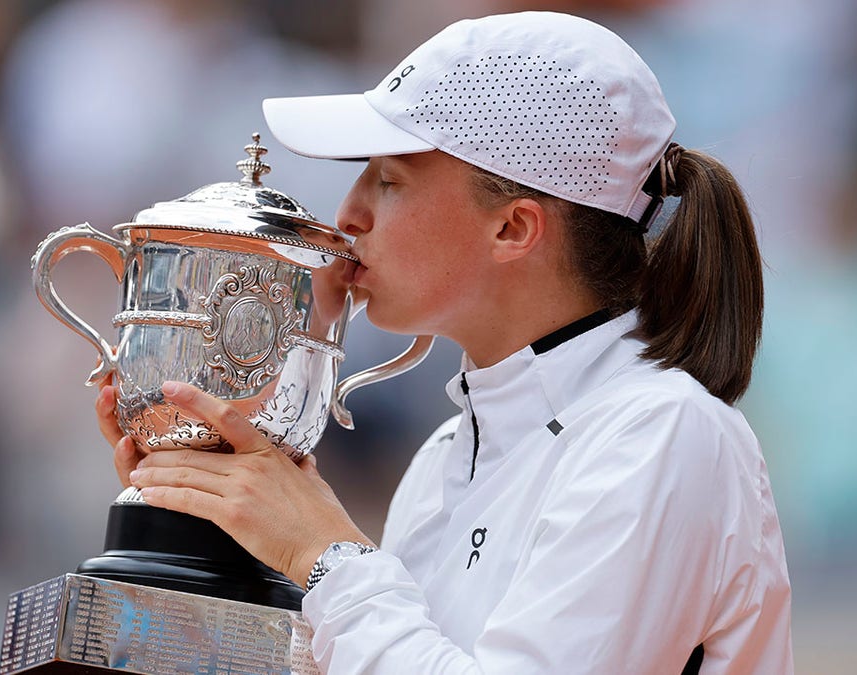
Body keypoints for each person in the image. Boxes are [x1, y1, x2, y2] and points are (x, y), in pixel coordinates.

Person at [94, 12, 792, 674]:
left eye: (389, 179)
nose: (348, 212)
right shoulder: (444, 459)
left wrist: (325, 554)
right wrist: (220, 519)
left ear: (513, 228)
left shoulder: (665, 432)